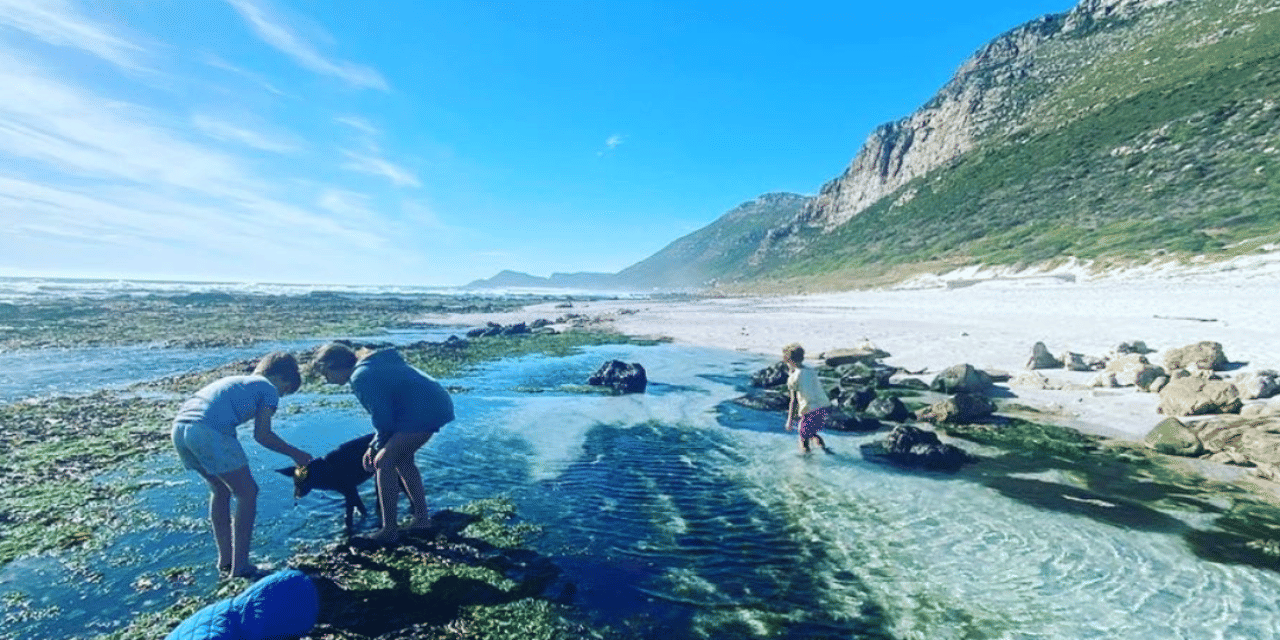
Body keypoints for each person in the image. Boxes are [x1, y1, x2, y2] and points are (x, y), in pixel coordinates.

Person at [171, 351, 312, 579]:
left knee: (220, 490)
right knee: (247, 492)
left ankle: (225, 561)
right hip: (208, 431)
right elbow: (262, 435)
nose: (280, 397)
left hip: (180, 430)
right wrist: (296, 453)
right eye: (285, 391)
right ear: (281, 379)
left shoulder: (237, 381)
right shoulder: (267, 388)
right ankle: (241, 566)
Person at [311, 342, 455, 543]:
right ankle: (422, 519)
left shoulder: (361, 377)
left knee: (383, 462)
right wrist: (375, 443)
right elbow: (387, 415)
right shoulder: (368, 368)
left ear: (333, 365)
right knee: (402, 460)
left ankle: (389, 530)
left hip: (424, 411)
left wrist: (376, 446)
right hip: (430, 406)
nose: (326, 380)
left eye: (325, 374)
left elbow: (383, 418)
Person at [782, 343, 833, 454]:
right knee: (812, 434)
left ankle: (805, 461)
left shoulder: (793, 378)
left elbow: (793, 401)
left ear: (789, 361)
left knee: (803, 438)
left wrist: (789, 421)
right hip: (822, 407)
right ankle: (825, 451)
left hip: (809, 409)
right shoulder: (811, 370)